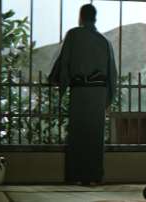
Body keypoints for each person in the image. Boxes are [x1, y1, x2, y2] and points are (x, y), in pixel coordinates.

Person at [47, 4, 117, 186]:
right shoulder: (104, 41)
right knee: (95, 135)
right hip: (99, 93)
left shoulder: (74, 34)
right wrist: (109, 99)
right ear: (95, 19)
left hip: (79, 91)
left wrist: (57, 81)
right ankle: (94, 177)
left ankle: (77, 176)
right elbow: (112, 72)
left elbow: (63, 61)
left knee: (78, 134)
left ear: (81, 17)